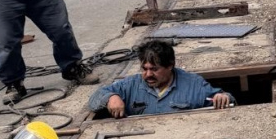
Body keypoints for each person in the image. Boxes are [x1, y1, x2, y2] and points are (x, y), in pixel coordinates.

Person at [88, 40, 235, 118]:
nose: (148, 74)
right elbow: (95, 98)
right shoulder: (130, 85)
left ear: (170, 65)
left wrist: (223, 97)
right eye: (144, 69)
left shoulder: (193, 85)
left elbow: (227, 101)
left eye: (154, 69)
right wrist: (111, 97)